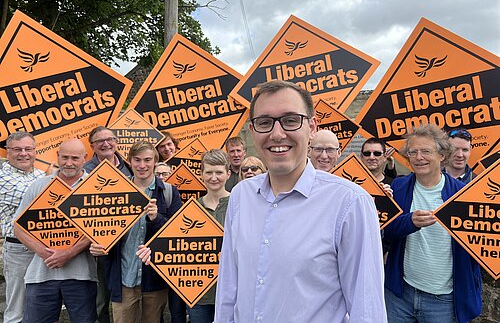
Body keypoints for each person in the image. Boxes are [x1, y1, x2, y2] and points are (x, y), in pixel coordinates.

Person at [215, 80, 386, 322]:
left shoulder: (350, 203)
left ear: (312, 126)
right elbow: (229, 286)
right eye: (264, 122)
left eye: (290, 120)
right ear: (253, 131)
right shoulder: (241, 196)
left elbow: (366, 308)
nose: (277, 134)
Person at [384, 124, 482, 323]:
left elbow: (477, 244)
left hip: (443, 299)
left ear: (442, 155)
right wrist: (408, 221)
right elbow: (388, 231)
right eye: (413, 152)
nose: (419, 157)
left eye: (426, 151)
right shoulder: (399, 186)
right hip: (400, 293)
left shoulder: (462, 194)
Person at [90, 141, 183, 323]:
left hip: (154, 280)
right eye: (137, 160)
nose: (142, 165)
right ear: (129, 162)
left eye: (147, 160)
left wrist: (156, 219)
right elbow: (102, 230)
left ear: (155, 161)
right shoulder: (114, 192)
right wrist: (98, 246)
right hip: (124, 278)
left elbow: (176, 236)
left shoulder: (169, 192)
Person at [138, 148, 231, 323]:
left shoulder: (239, 204)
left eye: (219, 172)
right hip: (198, 295)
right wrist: (154, 252)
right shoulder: (191, 209)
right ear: (201, 174)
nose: (214, 177)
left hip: (231, 294)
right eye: (209, 172)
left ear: (228, 173)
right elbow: (175, 245)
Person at [13, 138, 98, 322]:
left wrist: (68, 253)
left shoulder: (95, 185)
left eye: (75, 158)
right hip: (41, 274)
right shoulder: (39, 185)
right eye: (65, 157)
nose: (69, 163)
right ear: (57, 156)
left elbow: (100, 230)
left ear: (85, 158)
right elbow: (18, 227)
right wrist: (45, 253)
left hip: (82, 275)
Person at [84, 125, 132, 323]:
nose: (106, 143)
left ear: (116, 141)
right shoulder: (85, 171)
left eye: (109, 139)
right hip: (98, 246)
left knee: (127, 294)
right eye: (99, 141)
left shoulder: (129, 167)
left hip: (127, 243)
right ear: (92, 146)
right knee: (100, 298)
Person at [0, 132, 45, 323]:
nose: (23, 154)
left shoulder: (41, 174)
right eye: (17, 149)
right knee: (17, 309)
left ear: (35, 151)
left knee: (41, 306)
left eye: (28, 149)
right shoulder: (3, 179)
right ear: (7, 152)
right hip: (19, 250)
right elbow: (36, 198)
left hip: (43, 250)